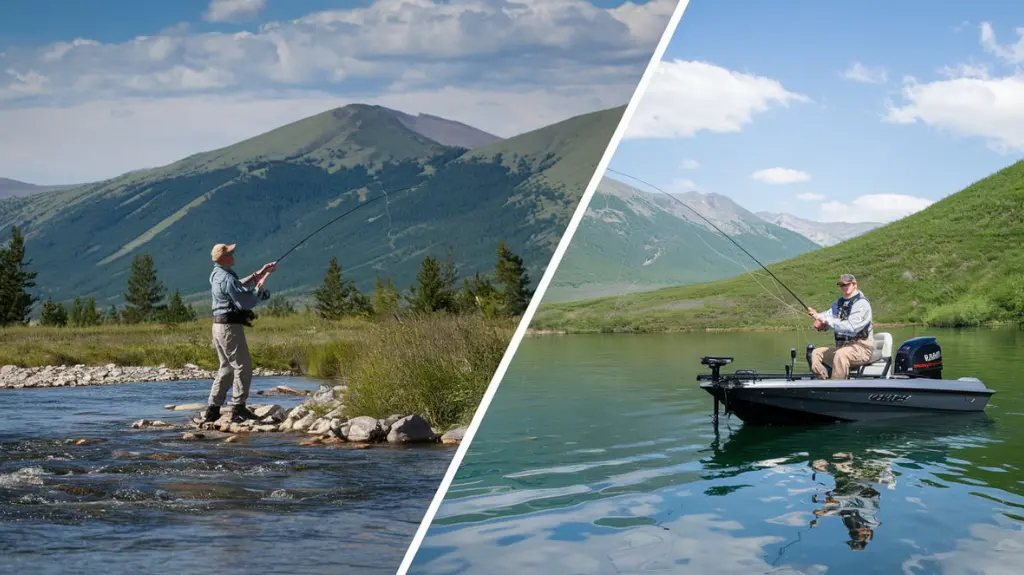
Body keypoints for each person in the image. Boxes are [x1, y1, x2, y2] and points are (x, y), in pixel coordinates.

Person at [198, 243, 277, 424]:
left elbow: (236, 285)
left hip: (218, 326)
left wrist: (259, 273)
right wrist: (259, 288)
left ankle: (213, 409)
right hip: (229, 328)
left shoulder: (216, 274)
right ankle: (238, 408)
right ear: (224, 258)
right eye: (231, 253)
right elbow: (245, 302)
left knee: (226, 367)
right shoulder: (226, 277)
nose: (234, 254)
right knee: (243, 366)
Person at [806, 273, 874, 380]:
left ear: (854, 284)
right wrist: (821, 324)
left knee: (841, 355)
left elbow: (851, 328)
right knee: (816, 353)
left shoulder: (861, 303)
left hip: (861, 349)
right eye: (842, 285)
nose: (844, 287)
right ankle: (823, 379)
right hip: (842, 348)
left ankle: (836, 386)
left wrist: (825, 320)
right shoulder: (838, 303)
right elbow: (828, 318)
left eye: (847, 284)